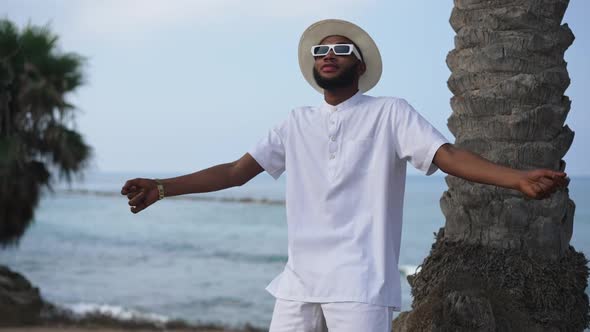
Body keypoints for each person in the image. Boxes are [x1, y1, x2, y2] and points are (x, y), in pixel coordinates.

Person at [121, 19, 568, 332]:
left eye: (340, 50)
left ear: (361, 66)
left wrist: (516, 179)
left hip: (361, 282)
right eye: (321, 51)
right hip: (298, 282)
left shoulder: (390, 113)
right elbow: (236, 172)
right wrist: (163, 187)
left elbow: (445, 154)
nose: (328, 56)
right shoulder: (294, 122)